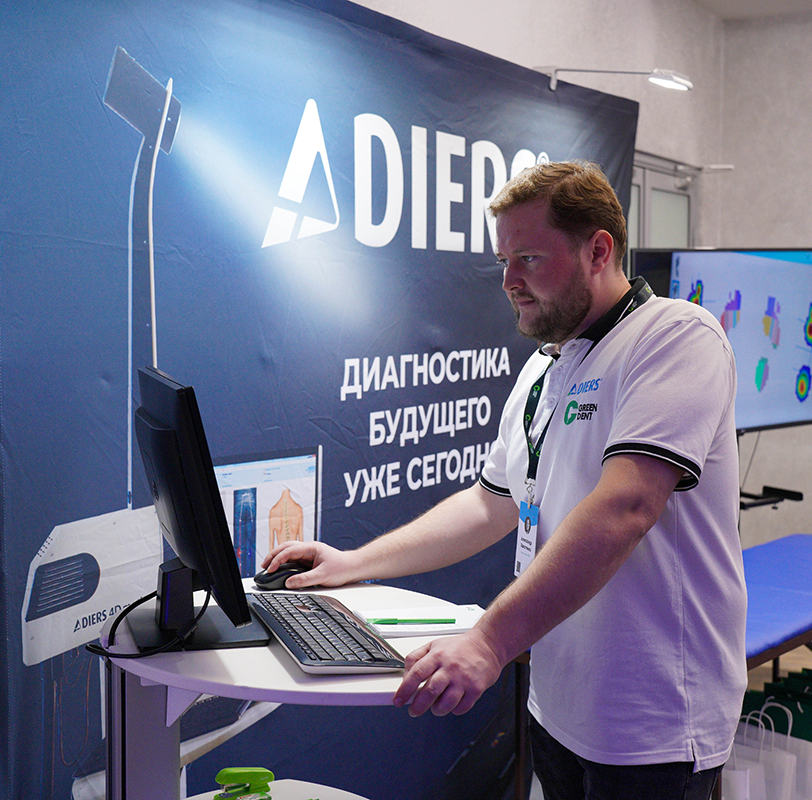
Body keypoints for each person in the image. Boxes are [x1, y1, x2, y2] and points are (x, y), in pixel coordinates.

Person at [263, 160, 747, 800]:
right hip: (560, 704)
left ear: (598, 251)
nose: (510, 281)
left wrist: (488, 643)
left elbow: (625, 507)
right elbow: (489, 506)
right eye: (502, 262)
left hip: (654, 722)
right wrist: (353, 563)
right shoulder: (546, 366)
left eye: (529, 259)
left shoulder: (674, 337)